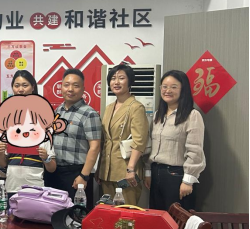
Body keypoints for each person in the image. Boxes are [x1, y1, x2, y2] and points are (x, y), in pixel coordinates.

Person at [145, 70, 205, 211]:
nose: (168, 90)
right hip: (156, 173)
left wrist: (188, 180)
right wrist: (148, 172)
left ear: (183, 89)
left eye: (173, 87)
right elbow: (151, 146)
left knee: (176, 219)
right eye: (164, 87)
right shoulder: (157, 115)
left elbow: (195, 150)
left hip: (177, 176)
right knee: (157, 217)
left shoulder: (192, 115)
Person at [0, 94, 67, 197]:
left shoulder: (44, 140)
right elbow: (3, 164)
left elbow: (52, 168)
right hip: (12, 187)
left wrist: (46, 158)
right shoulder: (9, 138)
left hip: (35, 189)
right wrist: (0, 152)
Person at [45, 69, 102, 204]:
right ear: (61, 87)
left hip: (76, 174)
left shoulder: (89, 114)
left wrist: (84, 175)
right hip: (54, 172)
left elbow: (95, 147)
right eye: (66, 85)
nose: (70, 89)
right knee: (52, 212)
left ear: (83, 89)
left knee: (75, 214)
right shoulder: (57, 111)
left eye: (75, 86)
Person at [98, 64, 149, 206]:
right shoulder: (109, 108)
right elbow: (105, 140)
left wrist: (130, 169)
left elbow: (139, 141)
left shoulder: (136, 107)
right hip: (107, 170)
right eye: (113, 78)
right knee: (108, 212)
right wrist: (99, 169)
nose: (116, 82)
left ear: (130, 81)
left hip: (126, 171)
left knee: (126, 213)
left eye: (121, 78)